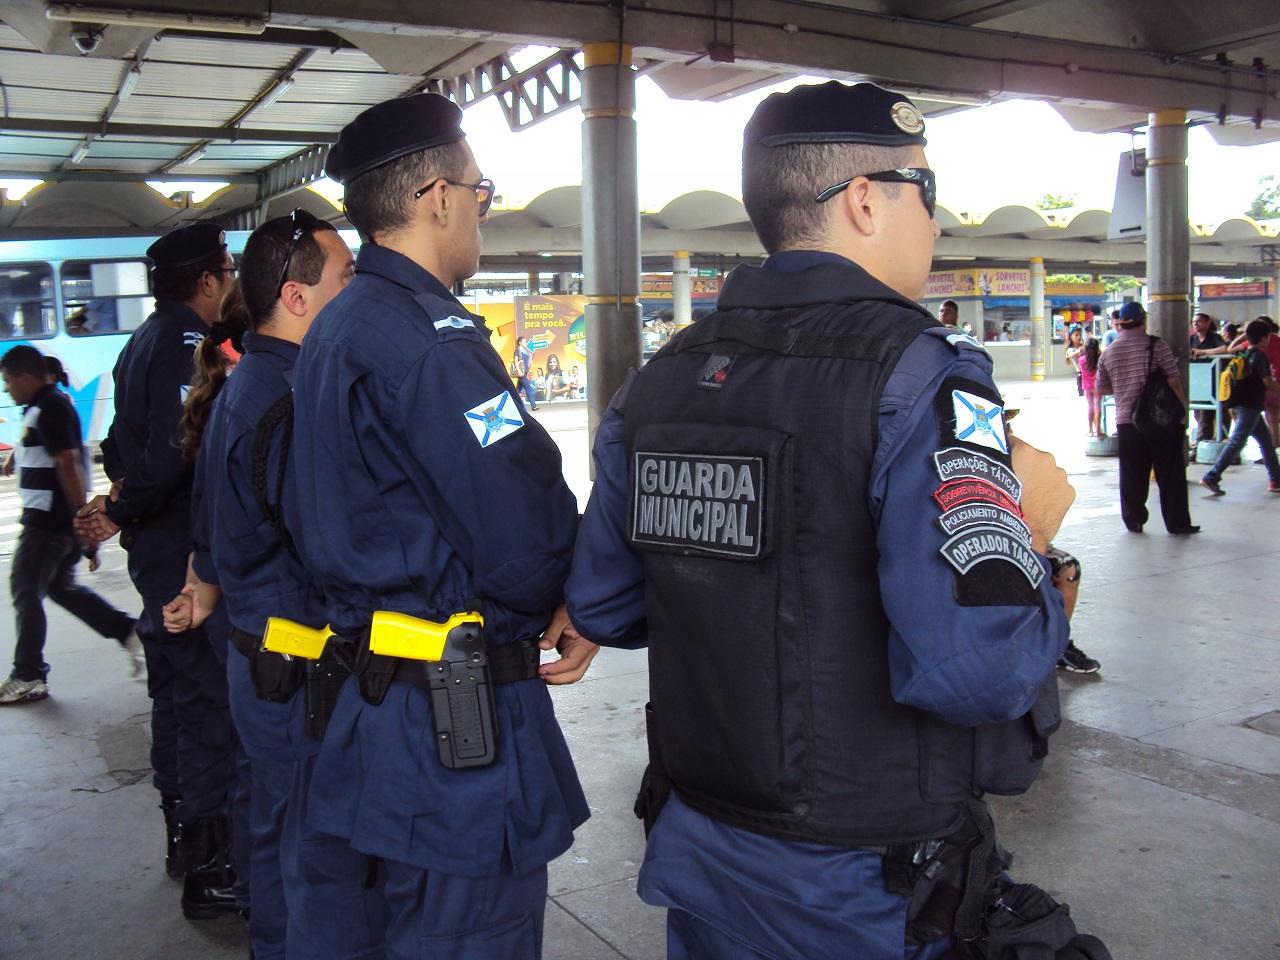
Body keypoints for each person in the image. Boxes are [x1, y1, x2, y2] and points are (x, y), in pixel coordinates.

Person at [565, 81, 1091, 960]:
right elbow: (977, 671)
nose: (938, 220)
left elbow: (605, 604)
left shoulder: (661, 379)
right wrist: (1027, 537)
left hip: (703, 852)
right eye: (928, 192)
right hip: (864, 885)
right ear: (863, 201)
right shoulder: (925, 379)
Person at [289, 93, 597, 955]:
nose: (479, 213)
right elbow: (519, 522)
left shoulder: (337, 327)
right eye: (480, 192)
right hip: (452, 735)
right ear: (437, 197)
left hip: (371, 706)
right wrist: (579, 598)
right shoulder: (432, 341)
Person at [162, 212, 386, 959]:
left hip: (262, 660)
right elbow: (331, 548)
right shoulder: (290, 401)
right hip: (300, 670)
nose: (359, 290)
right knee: (317, 857)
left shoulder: (246, 385)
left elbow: (219, 536)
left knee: (273, 830)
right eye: (347, 277)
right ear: (295, 297)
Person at [73, 221, 239, 916]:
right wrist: (122, 505)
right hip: (180, 553)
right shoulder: (183, 346)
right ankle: (211, 865)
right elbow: (177, 449)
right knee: (206, 704)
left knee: (174, 695)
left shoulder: (141, 340)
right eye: (227, 271)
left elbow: (117, 442)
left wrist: (118, 498)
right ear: (207, 280)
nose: (230, 283)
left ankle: (182, 837)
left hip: (157, 549)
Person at [0, 345, 139, 706]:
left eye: (9, 381)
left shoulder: (51, 406)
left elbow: (67, 463)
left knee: (25, 589)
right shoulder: (40, 406)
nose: (6, 389)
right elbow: (46, 448)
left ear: (26, 377)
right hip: (50, 521)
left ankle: (28, 673)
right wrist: (18, 456)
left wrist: (83, 519)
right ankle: (129, 631)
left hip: (47, 524)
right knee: (61, 589)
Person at [1096, 301, 1197, 535]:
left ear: (1121, 322)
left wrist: (1126, 386)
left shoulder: (1109, 351)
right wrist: (1183, 410)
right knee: (1170, 471)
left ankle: (1134, 521)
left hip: (1127, 422)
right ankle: (1177, 523)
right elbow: (1173, 380)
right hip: (1160, 420)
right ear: (1143, 320)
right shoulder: (1156, 345)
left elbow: (1102, 389)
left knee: (1132, 474)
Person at [1199, 319, 1280, 496]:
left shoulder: (1244, 352)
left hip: (1244, 404)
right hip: (1249, 406)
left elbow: (1231, 347)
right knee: (1237, 442)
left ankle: (1276, 480)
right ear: (1266, 337)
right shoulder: (1260, 356)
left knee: (1266, 442)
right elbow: (1268, 382)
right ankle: (1212, 476)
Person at [1080, 337, 1102, 438]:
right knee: (1098, 407)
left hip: (1087, 386)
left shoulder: (1082, 360)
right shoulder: (1100, 358)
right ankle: (1098, 430)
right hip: (1098, 386)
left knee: (1090, 407)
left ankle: (1090, 430)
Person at [513, 335, 538, 411]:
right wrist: (519, 371)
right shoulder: (518, 350)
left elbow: (528, 363)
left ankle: (513, 402)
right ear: (520, 343)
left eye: (525, 341)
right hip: (521, 373)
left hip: (525, 372)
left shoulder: (525, 351)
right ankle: (533, 405)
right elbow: (515, 362)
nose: (525, 343)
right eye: (524, 341)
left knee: (517, 390)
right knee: (529, 388)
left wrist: (531, 357)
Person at [1064, 327, 1085, 396]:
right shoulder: (1070, 349)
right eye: (1076, 335)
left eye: (1080, 335)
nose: (1078, 337)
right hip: (1081, 374)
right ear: (1071, 336)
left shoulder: (1083, 346)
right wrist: (1079, 350)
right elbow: (1071, 355)